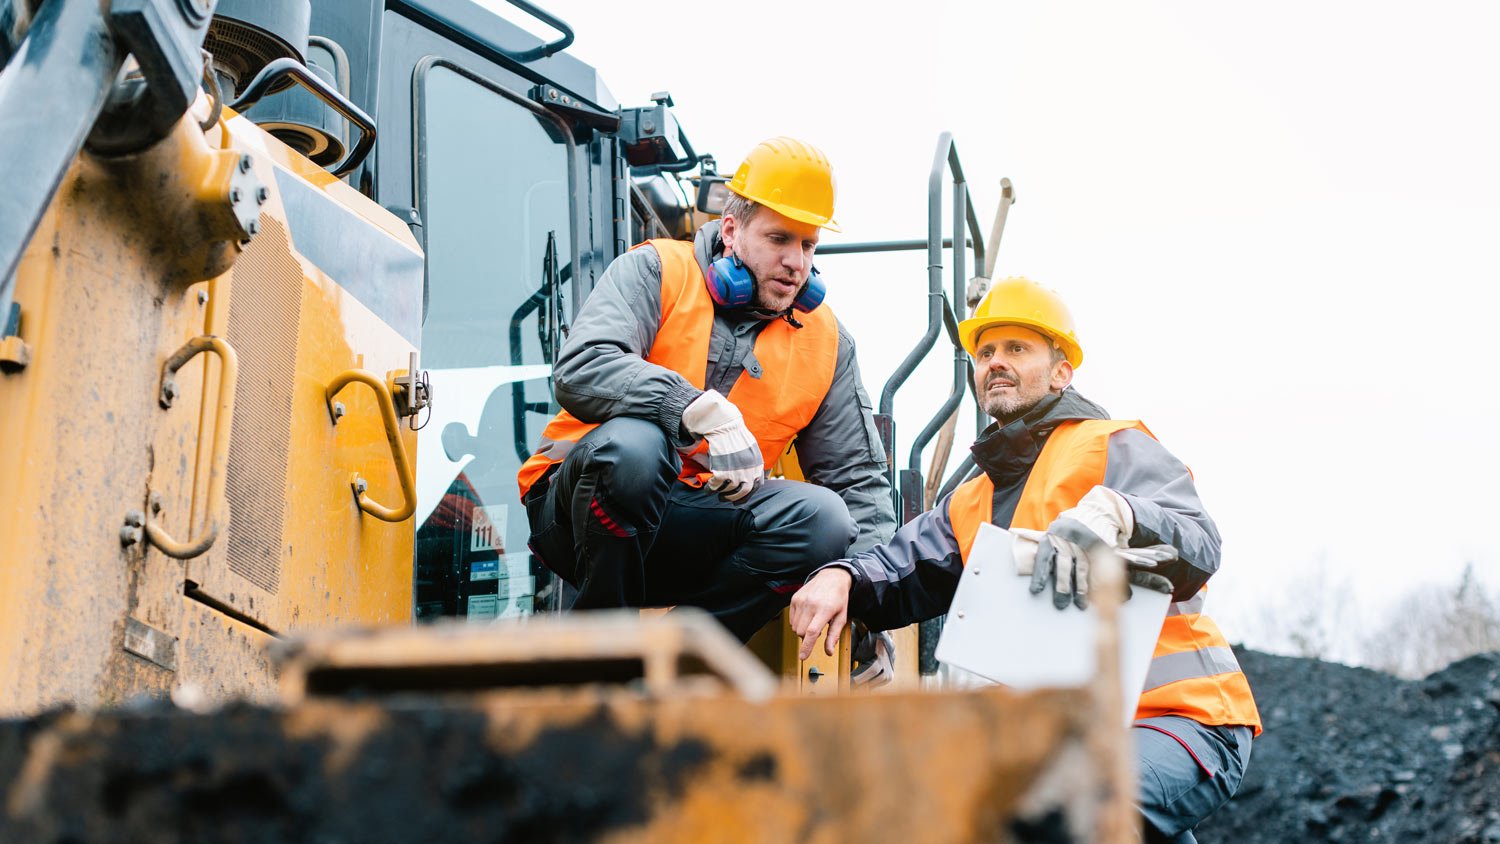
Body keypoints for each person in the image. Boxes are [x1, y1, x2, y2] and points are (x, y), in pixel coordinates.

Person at [789, 277, 1261, 842]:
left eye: (1017, 349)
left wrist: (1123, 513)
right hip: (1081, 738)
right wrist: (844, 575)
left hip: (1182, 717)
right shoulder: (971, 502)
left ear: (1062, 372)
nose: (996, 363)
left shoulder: (1110, 445)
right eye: (986, 353)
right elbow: (899, 568)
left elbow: (1200, 544)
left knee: (1063, 806)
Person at [517, 137, 896, 642]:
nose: (797, 262)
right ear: (732, 231)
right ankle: (599, 655)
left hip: (700, 529)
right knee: (634, 448)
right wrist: (691, 407)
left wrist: (867, 602)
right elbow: (583, 366)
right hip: (581, 513)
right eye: (780, 239)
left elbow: (859, 483)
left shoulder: (828, 343)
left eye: (808, 245)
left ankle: (681, 656)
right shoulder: (656, 270)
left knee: (825, 521)